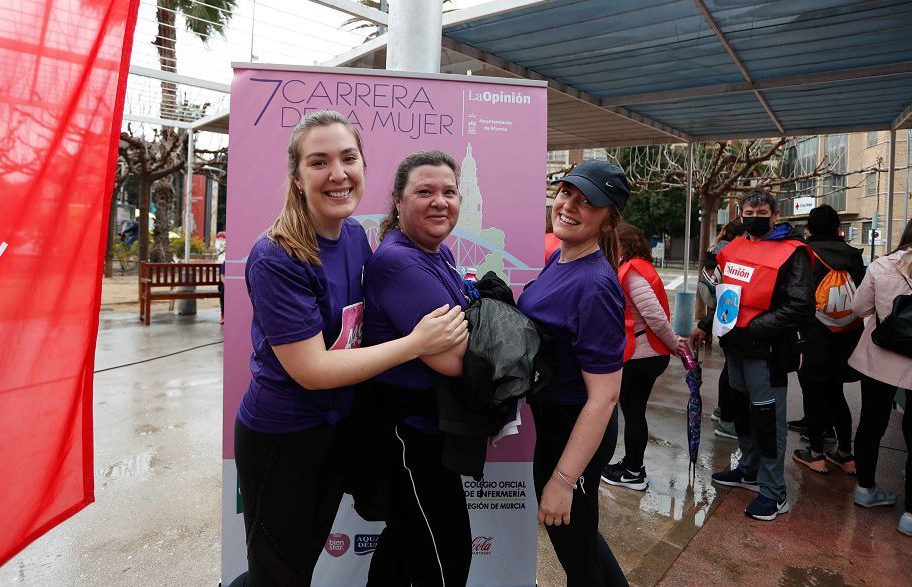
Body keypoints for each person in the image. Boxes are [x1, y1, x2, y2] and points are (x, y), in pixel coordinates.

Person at [233, 112, 467, 587]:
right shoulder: (277, 255)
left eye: (348, 158)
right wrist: (415, 344)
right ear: (297, 178)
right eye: (319, 162)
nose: (338, 174)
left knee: (328, 550)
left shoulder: (357, 236)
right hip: (285, 435)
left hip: (340, 428)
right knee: (278, 569)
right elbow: (313, 369)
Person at [361, 151, 473, 587]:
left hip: (427, 432)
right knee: (448, 561)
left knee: (404, 546)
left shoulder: (435, 253)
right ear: (398, 201)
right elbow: (452, 359)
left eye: (449, 192)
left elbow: (463, 332)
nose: (439, 201)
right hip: (410, 435)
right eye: (424, 191)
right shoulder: (400, 261)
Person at [518, 160, 630, 586]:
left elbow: (604, 397)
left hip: (575, 430)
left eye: (587, 202)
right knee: (580, 542)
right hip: (554, 424)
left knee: (576, 554)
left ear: (607, 220)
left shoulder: (595, 285)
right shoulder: (560, 259)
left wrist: (565, 479)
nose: (569, 205)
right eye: (567, 193)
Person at [690, 188, 814, 521]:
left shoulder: (794, 253)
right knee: (742, 413)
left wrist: (755, 328)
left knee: (767, 420)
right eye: (749, 212)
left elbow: (800, 305)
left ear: (775, 215)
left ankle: (775, 494)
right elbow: (725, 295)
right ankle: (748, 468)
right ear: (741, 213)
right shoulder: (735, 248)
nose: (755, 218)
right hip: (735, 348)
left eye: (762, 214)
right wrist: (706, 322)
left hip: (767, 353)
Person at [847, 209, 912, 538]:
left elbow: (858, 309)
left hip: (877, 362)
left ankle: (865, 490)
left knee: (870, 425)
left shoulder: (883, 266)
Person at [601, 222, 684, 491]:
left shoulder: (632, 272)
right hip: (645, 353)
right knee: (634, 410)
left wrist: (675, 344)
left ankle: (634, 471)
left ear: (624, 244)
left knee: (633, 411)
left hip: (643, 354)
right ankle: (632, 465)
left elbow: (655, 316)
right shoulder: (636, 268)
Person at [790, 205, 864, 475]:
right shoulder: (854, 257)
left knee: (812, 392)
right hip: (846, 336)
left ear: (809, 228)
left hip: (812, 335)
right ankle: (846, 454)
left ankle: (816, 453)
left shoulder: (804, 254)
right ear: (838, 228)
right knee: (836, 393)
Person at [699, 219, 745, 440]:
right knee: (731, 370)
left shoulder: (716, 249)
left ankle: (721, 411)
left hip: (720, 311)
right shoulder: (733, 252)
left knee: (729, 367)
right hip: (729, 311)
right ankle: (727, 420)